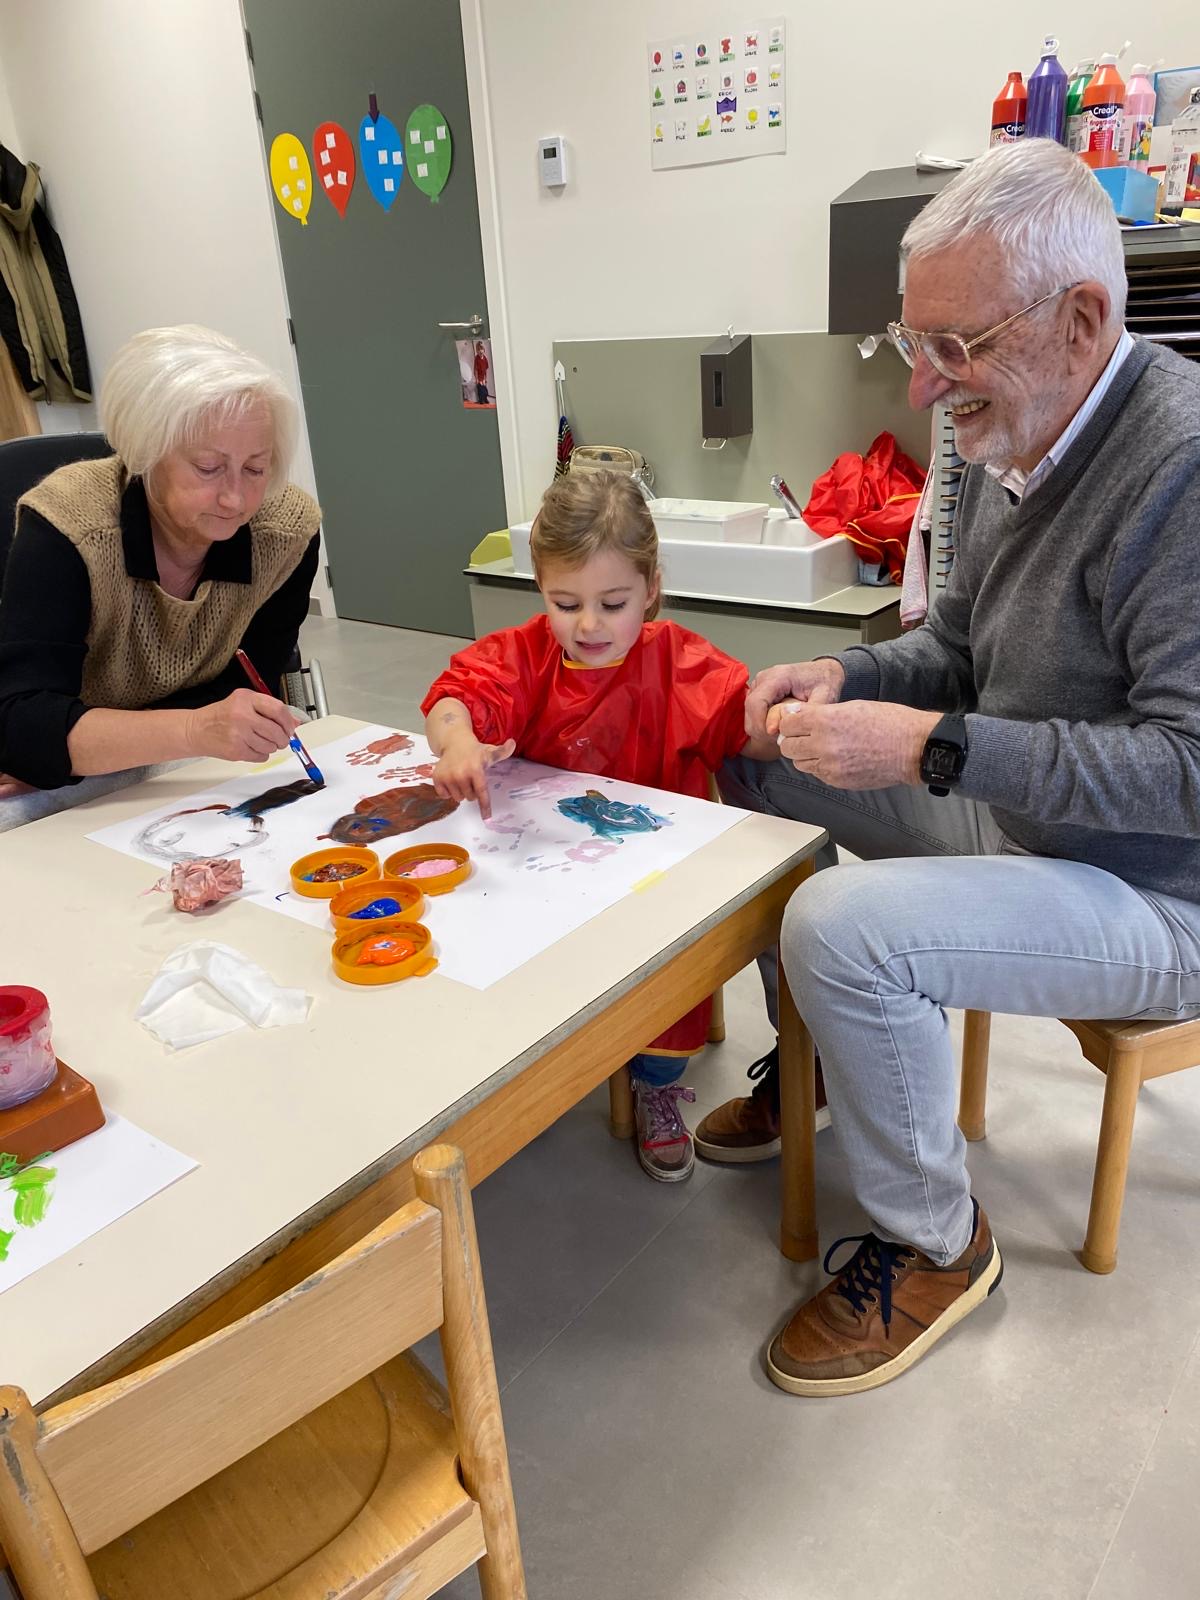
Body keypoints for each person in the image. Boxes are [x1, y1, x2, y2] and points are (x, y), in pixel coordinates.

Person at [705, 138, 1200, 1396]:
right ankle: (826, 1065)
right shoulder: (1001, 433)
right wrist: (848, 678)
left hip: (1158, 890)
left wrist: (934, 746)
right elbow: (960, 650)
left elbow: (1187, 771)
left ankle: (938, 1244)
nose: (926, 385)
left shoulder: (1182, 466)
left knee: (842, 927)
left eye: (957, 346)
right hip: (1014, 814)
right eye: (910, 342)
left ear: (1081, 321)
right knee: (747, 756)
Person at [422, 469, 779, 1182]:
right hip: (552, 877)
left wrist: (793, 721)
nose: (588, 625)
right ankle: (542, 1069)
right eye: (566, 604)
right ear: (540, 588)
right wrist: (457, 742)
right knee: (510, 957)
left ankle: (656, 1083)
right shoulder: (526, 656)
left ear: (650, 588)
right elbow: (455, 698)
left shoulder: (676, 660)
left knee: (664, 975)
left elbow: (748, 727)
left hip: (653, 883)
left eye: (613, 604)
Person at [0, 324, 322, 830]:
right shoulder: (69, 524)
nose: (236, 499)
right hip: (80, 787)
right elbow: (21, 726)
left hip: (161, 769)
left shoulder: (286, 531)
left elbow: (245, 686)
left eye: (256, 468)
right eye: (208, 468)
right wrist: (193, 728)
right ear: (145, 454)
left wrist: (74, 742)